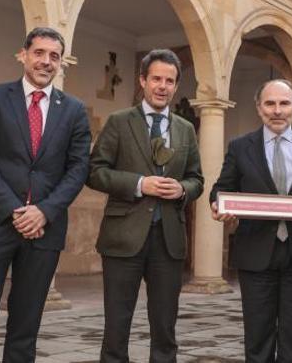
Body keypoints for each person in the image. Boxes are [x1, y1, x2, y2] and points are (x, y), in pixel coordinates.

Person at [0, 27, 91, 362]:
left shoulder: (74, 110)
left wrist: (44, 211)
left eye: (54, 56)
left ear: (61, 63)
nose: (46, 61)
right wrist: (15, 210)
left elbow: (78, 168)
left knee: (26, 327)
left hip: (44, 231)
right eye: (39, 53)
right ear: (23, 55)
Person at [210, 79, 292, 363]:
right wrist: (219, 205)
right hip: (255, 254)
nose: (277, 110)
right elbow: (221, 188)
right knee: (257, 337)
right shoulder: (240, 147)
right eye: (270, 103)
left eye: (284, 103)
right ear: (259, 108)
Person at [88, 49, 204, 363]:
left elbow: (197, 179)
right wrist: (140, 184)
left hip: (168, 240)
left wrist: (182, 189)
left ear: (177, 86)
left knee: (165, 326)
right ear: (143, 80)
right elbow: (95, 172)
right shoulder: (118, 122)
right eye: (156, 78)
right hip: (122, 237)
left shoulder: (185, 129)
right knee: (116, 324)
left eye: (170, 80)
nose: (162, 86)